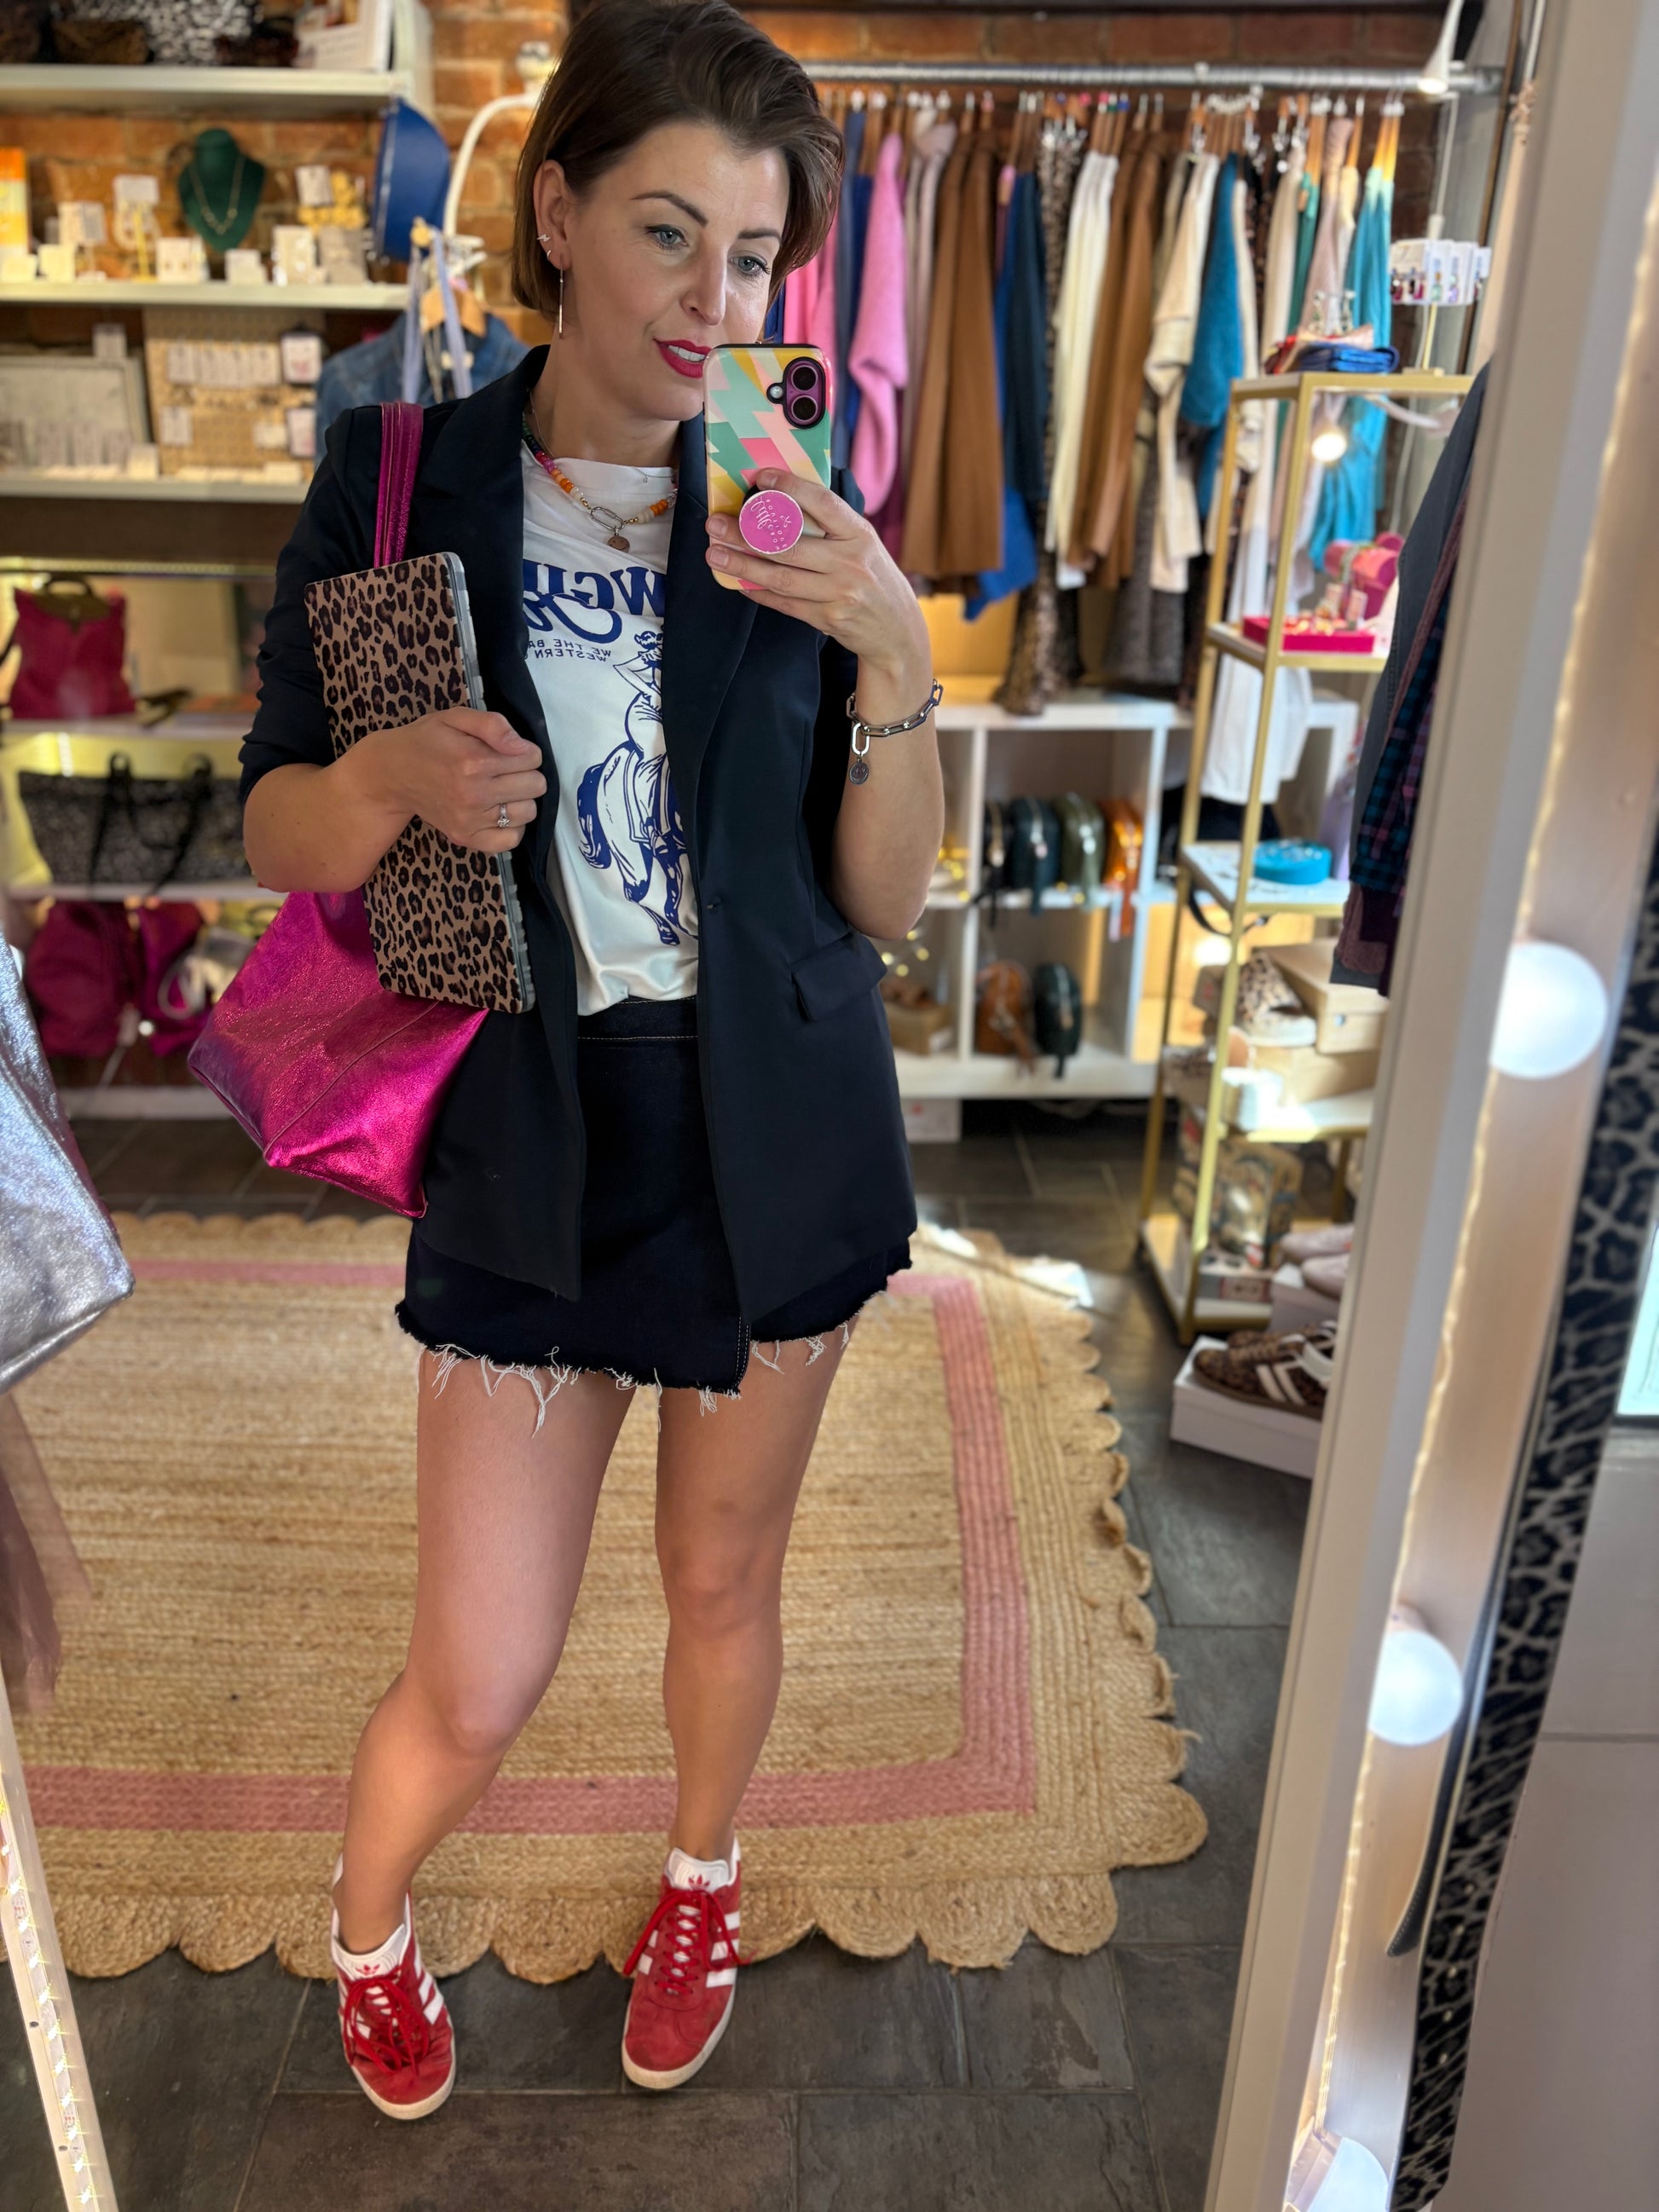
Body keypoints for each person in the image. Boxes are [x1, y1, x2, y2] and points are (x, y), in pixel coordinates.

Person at [240, 0, 939, 2117]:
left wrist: (893, 649)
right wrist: (375, 776)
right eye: (663, 236)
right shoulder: (403, 473)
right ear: (552, 213)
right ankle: (367, 1919)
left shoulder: (798, 491)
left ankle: (700, 1874)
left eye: (750, 262)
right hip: (528, 1126)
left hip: (775, 1123)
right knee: (483, 1667)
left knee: (723, 1579)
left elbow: (882, 899)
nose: (710, 306)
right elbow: (274, 813)